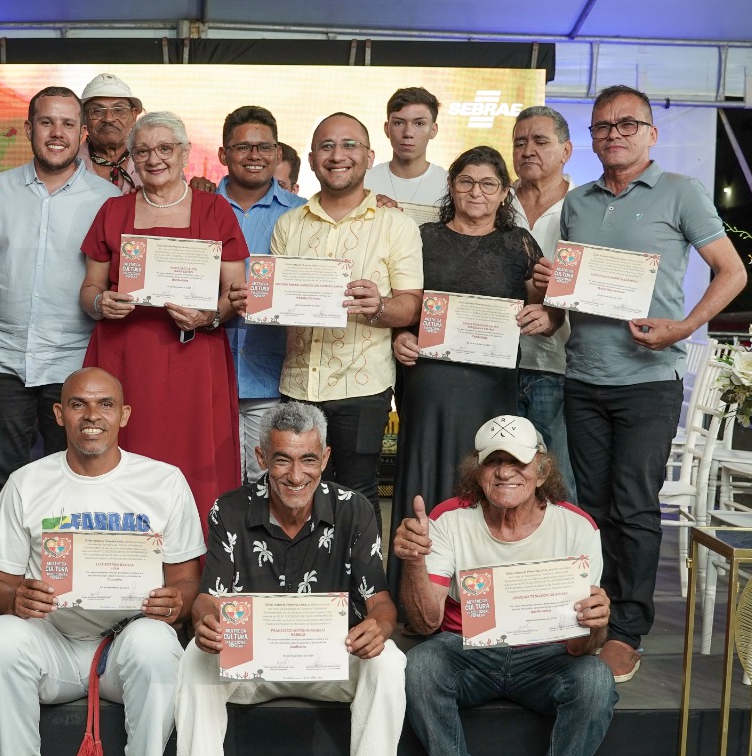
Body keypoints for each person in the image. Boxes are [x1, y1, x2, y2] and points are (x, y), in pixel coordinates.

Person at [531, 85, 747, 683]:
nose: (614, 135)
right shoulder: (578, 202)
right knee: (589, 508)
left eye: (627, 124)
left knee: (633, 506)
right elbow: (570, 293)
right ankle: (591, 621)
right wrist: (550, 290)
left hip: (649, 380)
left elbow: (732, 272)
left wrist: (684, 326)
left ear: (651, 133)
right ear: (591, 139)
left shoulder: (681, 191)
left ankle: (628, 631)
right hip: (583, 375)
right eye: (603, 127)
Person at [0, 367, 204, 756]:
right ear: (59, 414)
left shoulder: (163, 481)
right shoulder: (27, 482)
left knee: (158, 641)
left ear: (124, 415)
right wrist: (14, 600)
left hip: (124, 646)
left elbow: (186, 580)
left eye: (105, 404)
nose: (91, 415)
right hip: (51, 643)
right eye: (78, 404)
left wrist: (176, 602)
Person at [175, 402, 409, 756]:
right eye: (282, 459)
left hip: (328, 660)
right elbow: (207, 598)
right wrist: (205, 621)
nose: (295, 474)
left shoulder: (354, 509)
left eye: (308, 460)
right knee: (196, 658)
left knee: (389, 661)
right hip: (251, 665)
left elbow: (381, 601)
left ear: (325, 458)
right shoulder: (230, 509)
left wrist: (380, 627)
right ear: (262, 457)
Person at [395, 415, 615, 756]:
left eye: (518, 461)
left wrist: (596, 625)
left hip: (547, 656)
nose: (504, 472)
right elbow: (426, 621)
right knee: (420, 665)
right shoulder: (448, 519)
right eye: (493, 461)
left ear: (542, 469)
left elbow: (581, 648)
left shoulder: (577, 527)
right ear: (476, 471)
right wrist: (414, 561)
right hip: (468, 650)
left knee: (596, 680)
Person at [0, 88, 119, 528]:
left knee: (72, 479)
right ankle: (6, 569)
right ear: (29, 128)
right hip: (3, 359)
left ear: (83, 133)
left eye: (68, 124)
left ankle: (59, 569)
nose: (57, 133)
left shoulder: (106, 197)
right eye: (47, 122)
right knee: (3, 479)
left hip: (72, 361)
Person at [236, 112, 423, 522]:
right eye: (327, 146)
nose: (337, 155)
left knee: (358, 492)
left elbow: (412, 304)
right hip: (298, 382)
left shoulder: (396, 225)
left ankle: (362, 569)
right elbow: (277, 301)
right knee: (295, 490)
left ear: (369, 156)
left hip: (363, 385)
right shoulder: (289, 224)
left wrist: (380, 306)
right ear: (312, 158)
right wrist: (256, 300)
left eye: (349, 145)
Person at [388, 146, 557, 595]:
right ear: (451, 186)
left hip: (491, 386)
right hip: (429, 382)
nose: (476, 192)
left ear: (504, 192)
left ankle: (481, 599)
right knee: (426, 472)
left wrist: (548, 317)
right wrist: (399, 336)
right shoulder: (421, 237)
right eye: (466, 181)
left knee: (491, 472)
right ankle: (417, 597)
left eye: (488, 184)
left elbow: (547, 310)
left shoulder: (519, 243)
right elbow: (404, 304)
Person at [79, 110, 248, 517]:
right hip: (125, 356)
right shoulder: (113, 211)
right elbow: (89, 291)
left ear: (185, 152)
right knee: (124, 450)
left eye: (165, 149)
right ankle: (120, 545)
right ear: (132, 159)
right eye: (142, 151)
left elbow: (236, 294)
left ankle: (194, 547)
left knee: (193, 455)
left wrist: (209, 317)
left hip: (194, 356)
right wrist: (101, 304)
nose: (154, 159)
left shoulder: (215, 210)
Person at [214, 106, 307, 481]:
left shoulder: (304, 215)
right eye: (242, 147)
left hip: (270, 377)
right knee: (206, 479)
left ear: (277, 152)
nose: (254, 156)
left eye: (264, 147)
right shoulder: (195, 207)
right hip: (206, 372)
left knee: (265, 481)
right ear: (224, 154)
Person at [509, 107, 578, 498]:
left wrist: (557, 305)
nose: (528, 150)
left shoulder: (585, 206)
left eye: (540, 141)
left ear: (566, 150)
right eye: (520, 142)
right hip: (497, 361)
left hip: (560, 365)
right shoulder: (495, 200)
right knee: (501, 475)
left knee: (557, 482)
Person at [364, 87, 448, 221]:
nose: (408, 133)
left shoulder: (449, 184)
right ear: (387, 129)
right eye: (399, 123)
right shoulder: (363, 182)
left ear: (433, 130)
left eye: (419, 123)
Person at [80, 73, 143, 193]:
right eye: (97, 111)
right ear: (83, 118)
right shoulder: (69, 165)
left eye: (119, 110)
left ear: (133, 116)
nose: (108, 118)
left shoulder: (155, 161)